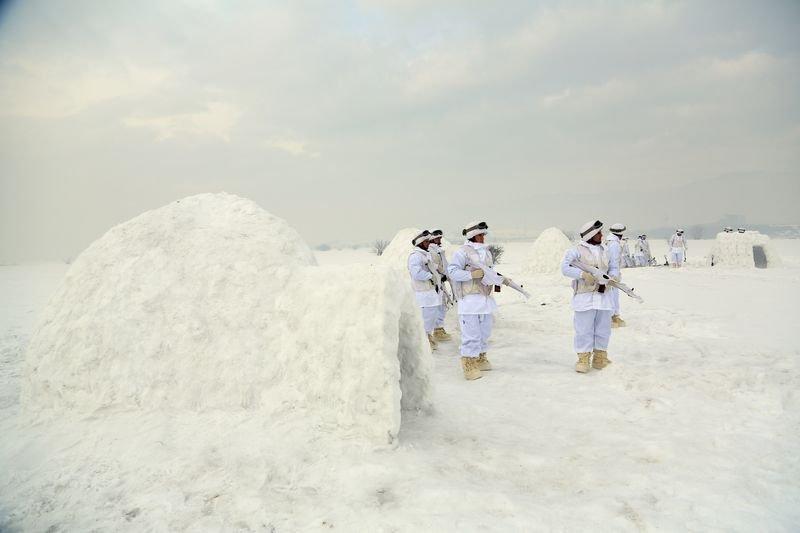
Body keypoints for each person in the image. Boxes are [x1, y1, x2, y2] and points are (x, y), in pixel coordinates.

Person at [561, 220, 617, 373]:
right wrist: (582, 274)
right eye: (598, 233)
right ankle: (583, 358)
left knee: (603, 329)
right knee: (584, 329)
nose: (601, 235)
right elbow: (564, 268)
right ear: (591, 235)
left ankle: (600, 357)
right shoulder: (576, 251)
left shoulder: (606, 250)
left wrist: (613, 277)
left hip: (604, 296)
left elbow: (613, 267)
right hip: (584, 297)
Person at [447, 221, 501, 381]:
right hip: (469, 301)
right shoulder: (462, 252)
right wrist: (471, 275)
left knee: (485, 332)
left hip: (485, 299)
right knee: (471, 334)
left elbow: (489, 271)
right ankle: (469, 363)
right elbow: (452, 271)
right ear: (473, 235)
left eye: (484, 234)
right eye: (480, 234)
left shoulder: (487, 253)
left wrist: (498, 279)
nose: (483, 237)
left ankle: (480, 357)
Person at [407, 230, 443, 350]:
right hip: (422, 294)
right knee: (425, 319)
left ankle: (427, 337)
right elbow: (416, 273)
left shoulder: (425, 254)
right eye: (426, 241)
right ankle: (423, 341)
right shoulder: (415, 256)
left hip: (430, 293)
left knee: (431, 318)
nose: (428, 243)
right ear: (420, 242)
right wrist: (431, 276)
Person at [428, 229, 453, 342]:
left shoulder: (439, 251)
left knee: (442, 306)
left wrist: (447, 274)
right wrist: (439, 272)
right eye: (437, 238)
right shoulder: (429, 251)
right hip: (433, 284)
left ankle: (439, 329)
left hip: (441, 282)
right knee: (435, 307)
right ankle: (433, 331)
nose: (439, 240)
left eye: (440, 238)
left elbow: (444, 265)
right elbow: (432, 266)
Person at [605, 223, 627, 328]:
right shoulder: (614, 244)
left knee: (614, 296)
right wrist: (614, 275)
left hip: (613, 273)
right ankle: (611, 318)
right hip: (612, 274)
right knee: (611, 296)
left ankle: (615, 315)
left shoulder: (611, 242)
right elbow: (613, 261)